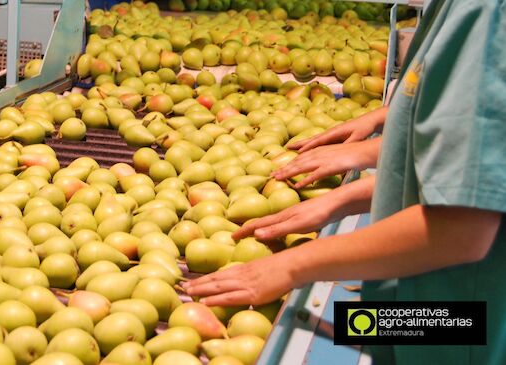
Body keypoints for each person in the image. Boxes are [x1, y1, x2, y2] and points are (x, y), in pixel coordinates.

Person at [183, 1, 506, 364]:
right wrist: (342, 199)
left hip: (458, 327)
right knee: (341, 325)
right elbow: (462, 164)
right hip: (426, 311)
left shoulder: (487, 14)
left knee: (327, 330)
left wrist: (291, 266)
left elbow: (462, 230)